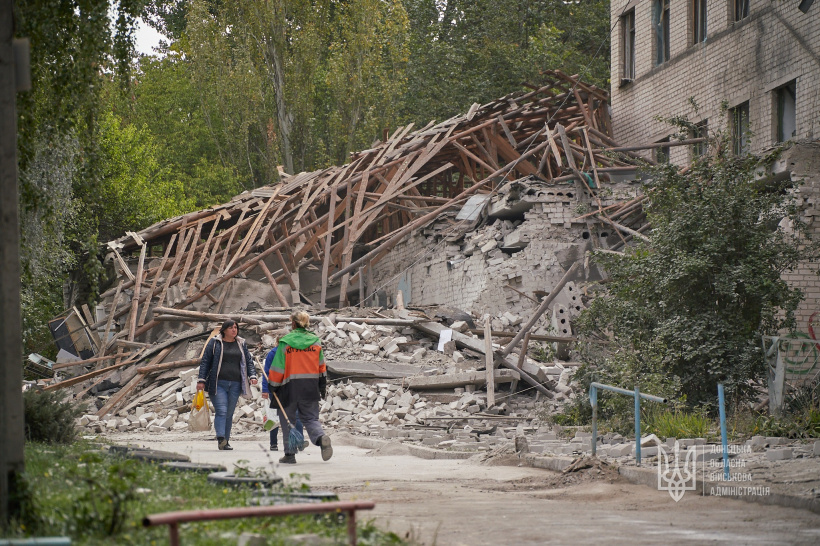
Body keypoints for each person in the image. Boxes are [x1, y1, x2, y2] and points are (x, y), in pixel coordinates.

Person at [267, 311, 332, 464]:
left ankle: (290, 454)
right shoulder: (315, 342)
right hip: (310, 386)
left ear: (293, 323)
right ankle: (321, 437)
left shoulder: (285, 342)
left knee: (287, 420)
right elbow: (321, 367)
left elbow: (277, 369)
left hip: (289, 388)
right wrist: (322, 386)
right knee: (310, 418)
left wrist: (272, 386)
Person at [197, 319, 258, 450]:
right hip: (218, 383)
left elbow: (248, 360)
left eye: (236, 327)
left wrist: (252, 375)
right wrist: (201, 379)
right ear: (224, 330)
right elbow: (205, 361)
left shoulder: (241, 343)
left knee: (229, 413)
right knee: (222, 410)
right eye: (231, 328)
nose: (234, 330)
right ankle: (220, 437)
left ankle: (226, 440)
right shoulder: (215, 342)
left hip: (236, 384)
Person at [262, 346, 305, 452]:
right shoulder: (273, 354)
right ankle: (274, 443)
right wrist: (265, 389)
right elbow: (266, 372)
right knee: (276, 415)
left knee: (294, 414)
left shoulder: (295, 352)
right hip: (276, 388)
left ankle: (299, 441)